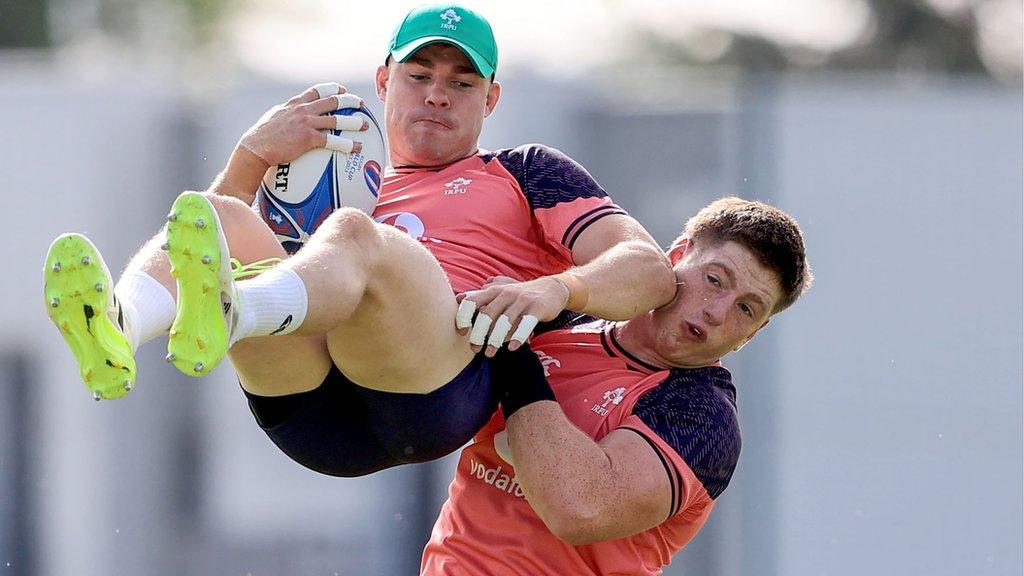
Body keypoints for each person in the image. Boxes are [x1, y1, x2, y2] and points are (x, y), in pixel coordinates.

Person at [42, 3, 675, 477]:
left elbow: (650, 270)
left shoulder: (526, 171)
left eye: (461, 83)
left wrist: (555, 287)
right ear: (383, 80)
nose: (436, 95)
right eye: (419, 73)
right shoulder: (332, 175)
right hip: (313, 420)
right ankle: (118, 328)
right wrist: (251, 155)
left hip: (434, 394)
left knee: (352, 235)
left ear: (492, 99)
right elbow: (201, 241)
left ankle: (240, 310)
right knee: (216, 212)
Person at [421, 197, 813, 576]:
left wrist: (512, 347)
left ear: (754, 333)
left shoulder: (704, 417)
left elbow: (580, 507)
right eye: (714, 280)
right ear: (676, 256)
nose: (717, 311)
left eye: (746, 309)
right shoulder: (561, 321)